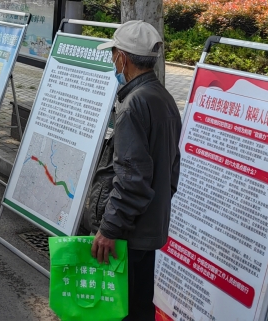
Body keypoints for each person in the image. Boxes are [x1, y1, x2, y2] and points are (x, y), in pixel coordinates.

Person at [83, 20, 182, 321]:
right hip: (148, 226)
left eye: (114, 53)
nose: (113, 60)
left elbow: (131, 179)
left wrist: (110, 229)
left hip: (129, 232)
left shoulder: (133, 105)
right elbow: (171, 170)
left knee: (119, 311)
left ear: (123, 58)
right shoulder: (163, 97)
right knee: (139, 307)